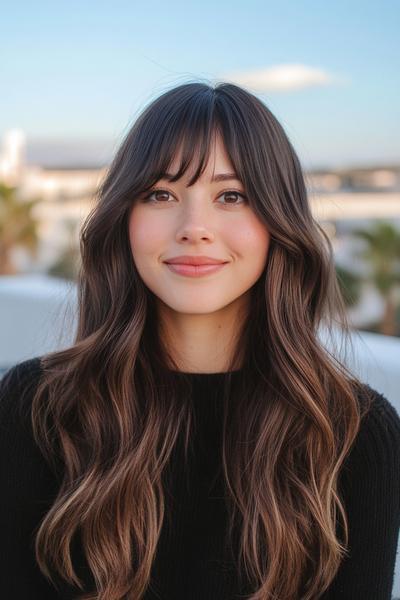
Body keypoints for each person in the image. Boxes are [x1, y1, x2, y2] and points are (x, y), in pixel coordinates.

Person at [0, 81, 399, 600]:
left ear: (279, 222)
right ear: (124, 217)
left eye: (231, 196)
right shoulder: (36, 408)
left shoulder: (356, 434)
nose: (195, 227)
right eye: (161, 194)